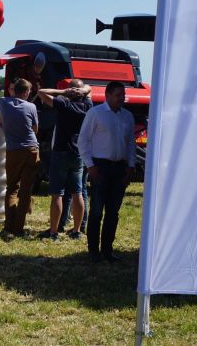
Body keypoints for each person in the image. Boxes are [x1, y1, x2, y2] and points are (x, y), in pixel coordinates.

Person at [78, 81, 136, 262]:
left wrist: (131, 167)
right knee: (96, 211)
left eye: (123, 94)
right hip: (100, 167)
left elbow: (131, 144)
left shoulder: (127, 116)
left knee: (113, 212)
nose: (122, 98)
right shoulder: (95, 113)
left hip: (120, 168)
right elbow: (83, 141)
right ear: (107, 95)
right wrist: (90, 166)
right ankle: (93, 251)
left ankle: (107, 250)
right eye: (118, 94)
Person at [36, 79, 92, 241]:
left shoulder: (64, 104)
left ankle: (54, 232)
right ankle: (76, 231)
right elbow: (90, 91)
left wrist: (63, 92)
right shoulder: (88, 106)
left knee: (57, 194)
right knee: (78, 193)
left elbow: (41, 92)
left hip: (60, 151)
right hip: (78, 153)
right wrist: (82, 90)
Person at [0, 78, 39, 236]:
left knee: (12, 188)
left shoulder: (3, 103)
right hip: (31, 150)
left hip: (13, 150)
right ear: (26, 92)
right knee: (25, 190)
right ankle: (18, 228)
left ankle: (8, 226)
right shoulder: (31, 106)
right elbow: (35, 129)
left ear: (14, 90)